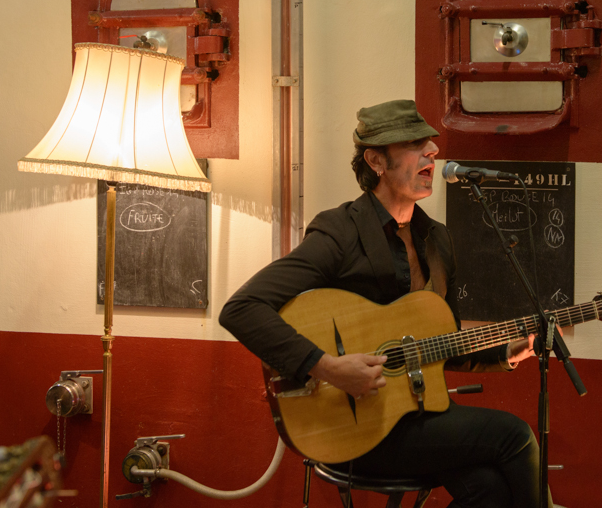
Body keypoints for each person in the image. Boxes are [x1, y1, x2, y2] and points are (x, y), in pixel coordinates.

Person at [219, 99, 544, 508]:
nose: (433, 151)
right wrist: (329, 367)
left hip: (418, 411)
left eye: (430, 141)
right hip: (357, 422)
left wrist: (505, 352)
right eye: (413, 143)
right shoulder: (340, 232)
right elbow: (242, 308)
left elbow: (439, 344)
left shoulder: (436, 239)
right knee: (513, 434)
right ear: (376, 160)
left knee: (490, 488)